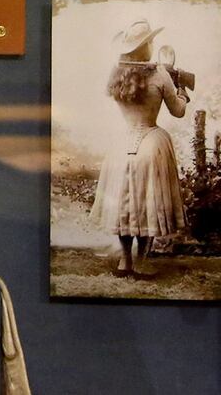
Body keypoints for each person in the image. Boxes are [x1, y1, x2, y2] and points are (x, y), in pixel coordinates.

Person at [89, 18, 188, 279]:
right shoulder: (160, 74)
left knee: (125, 203)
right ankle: (142, 262)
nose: (153, 45)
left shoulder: (116, 74)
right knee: (146, 203)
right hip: (152, 143)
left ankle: (125, 261)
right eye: (150, 42)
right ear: (145, 47)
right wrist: (183, 93)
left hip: (122, 144)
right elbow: (178, 111)